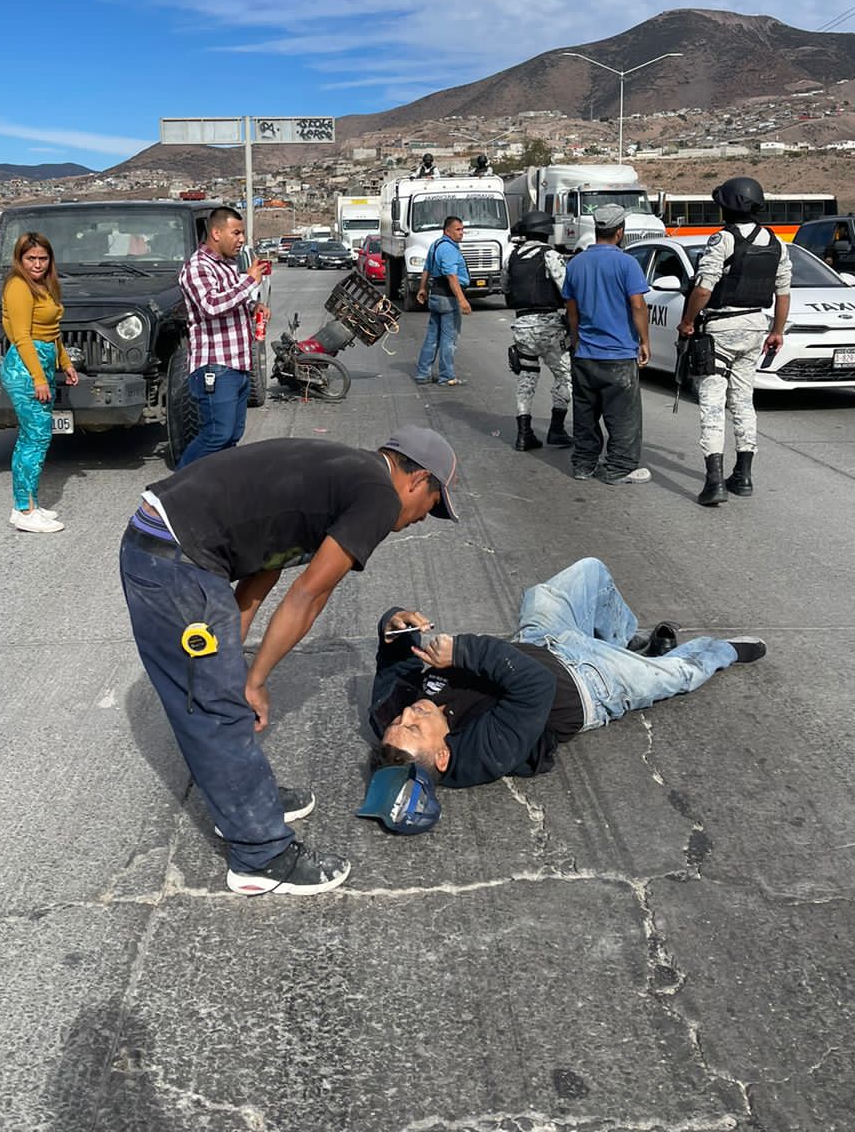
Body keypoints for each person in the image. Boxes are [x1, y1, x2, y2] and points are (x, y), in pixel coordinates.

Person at [120, 425, 460, 894]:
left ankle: (246, 804)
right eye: (432, 505)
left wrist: (236, 667)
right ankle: (260, 857)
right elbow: (309, 595)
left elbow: (265, 563)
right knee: (217, 711)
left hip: (168, 545)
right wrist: (254, 681)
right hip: (175, 560)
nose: (424, 518)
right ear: (418, 479)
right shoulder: (379, 497)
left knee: (222, 692)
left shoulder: (339, 475)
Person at [358, 557, 766, 829]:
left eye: (400, 720)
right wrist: (464, 651)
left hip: (540, 642)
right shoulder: (482, 754)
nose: (408, 713)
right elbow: (537, 685)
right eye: (414, 727)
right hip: (592, 682)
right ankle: (727, 650)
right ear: (443, 756)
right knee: (678, 673)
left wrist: (394, 626)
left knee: (588, 572)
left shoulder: (390, 718)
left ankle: (623, 640)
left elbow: (396, 663)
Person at [677, 177, 792, 507]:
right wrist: (777, 331)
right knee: (743, 401)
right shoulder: (776, 243)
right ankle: (743, 476)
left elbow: (703, 289)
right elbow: (783, 293)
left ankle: (714, 482)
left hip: (722, 329)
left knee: (713, 403)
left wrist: (688, 322)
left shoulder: (723, 239)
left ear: (726, 207)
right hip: (756, 326)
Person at [561, 205, 652, 484]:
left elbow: (571, 311)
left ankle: (583, 465)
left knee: (585, 414)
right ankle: (618, 468)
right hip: (618, 354)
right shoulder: (627, 264)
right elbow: (638, 305)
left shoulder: (576, 264)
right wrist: (644, 341)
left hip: (585, 354)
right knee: (623, 417)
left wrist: (576, 341)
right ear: (620, 232)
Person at [175, 206, 269, 469]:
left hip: (238, 365)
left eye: (242, 233)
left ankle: (216, 487)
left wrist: (253, 307)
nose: (242, 239)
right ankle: (177, 485)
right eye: (236, 233)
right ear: (216, 233)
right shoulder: (197, 267)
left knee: (231, 437)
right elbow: (211, 305)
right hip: (215, 368)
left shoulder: (227, 266)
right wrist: (250, 282)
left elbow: (232, 301)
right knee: (216, 434)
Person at [0, 232, 79, 533]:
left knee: (34, 437)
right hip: (24, 368)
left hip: (42, 362)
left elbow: (52, 332)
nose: (37, 264)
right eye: (30, 258)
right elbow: (21, 336)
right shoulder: (18, 286)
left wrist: (65, 364)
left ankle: (28, 503)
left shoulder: (45, 285)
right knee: (35, 438)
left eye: (42, 258)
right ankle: (24, 509)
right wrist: (38, 378)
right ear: (19, 259)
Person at [506, 211, 572, 451]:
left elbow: (505, 286)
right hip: (549, 326)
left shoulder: (512, 257)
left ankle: (523, 434)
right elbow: (566, 288)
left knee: (527, 377)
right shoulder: (550, 255)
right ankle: (556, 429)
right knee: (565, 375)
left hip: (522, 326)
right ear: (546, 231)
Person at [415, 215, 472, 386]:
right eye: (457, 229)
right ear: (447, 231)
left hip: (435, 296)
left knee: (432, 337)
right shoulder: (448, 249)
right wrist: (462, 300)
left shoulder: (436, 245)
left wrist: (422, 288)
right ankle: (447, 376)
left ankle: (423, 374)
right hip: (447, 298)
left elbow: (427, 268)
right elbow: (451, 276)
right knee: (449, 339)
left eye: (462, 229)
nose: (461, 233)